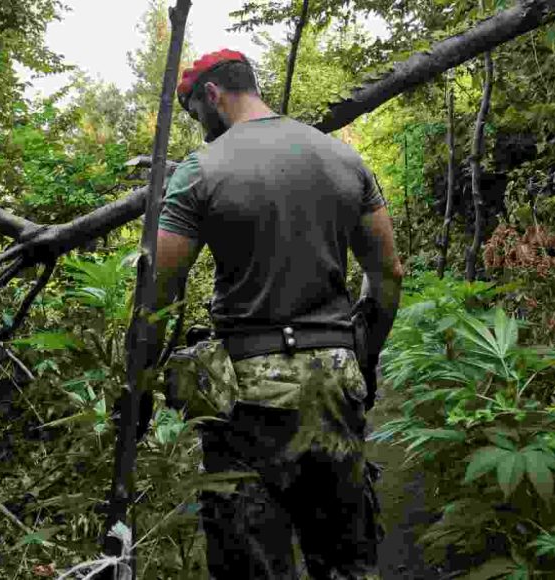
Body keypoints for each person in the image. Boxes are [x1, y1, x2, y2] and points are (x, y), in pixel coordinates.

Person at [153, 49, 404, 580]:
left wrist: (138, 379)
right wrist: (364, 356)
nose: (201, 130)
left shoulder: (202, 170)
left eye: (197, 114)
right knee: (346, 561)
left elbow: (157, 290)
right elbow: (388, 275)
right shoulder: (343, 158)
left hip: (248, 397)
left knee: (254, 564)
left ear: (213, 96)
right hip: (336, 381)